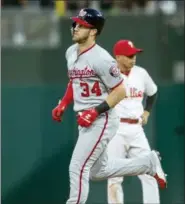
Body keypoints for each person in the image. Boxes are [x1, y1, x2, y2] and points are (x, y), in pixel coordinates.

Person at [52, 8, 167, 204]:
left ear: (93, 31)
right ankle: (148, 162)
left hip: (102, 118)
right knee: (99, 171)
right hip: (86, 118)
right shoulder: (71, 52)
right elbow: (74, 81)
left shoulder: (102, 58)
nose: (75, 27)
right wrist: (63, 102)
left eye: (82, 25)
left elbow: (120, 91)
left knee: (77, 167)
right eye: (75, 23)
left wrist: (95, 111)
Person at [107, 39, 161, 204]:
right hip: (116, 130)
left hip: (136, 130)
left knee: (151, 172)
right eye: (129, 56)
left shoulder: (141, 73)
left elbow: (152, 92)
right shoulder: (108, 75)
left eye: (134, 55)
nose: (133, 58)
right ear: (118, 57)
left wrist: (147, 112)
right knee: (115, 178)